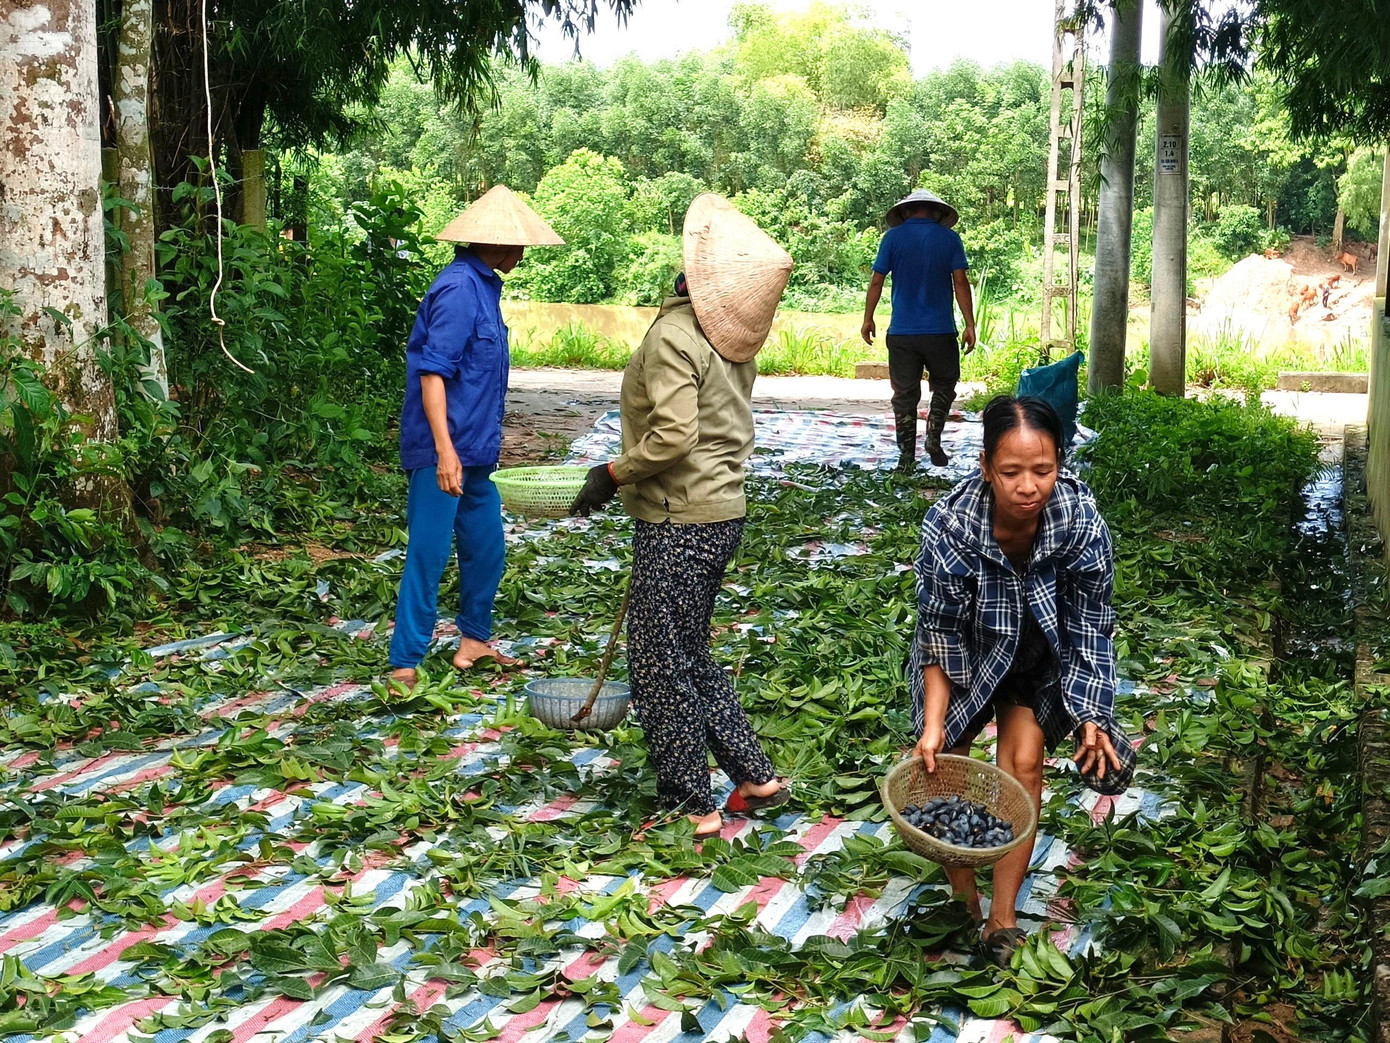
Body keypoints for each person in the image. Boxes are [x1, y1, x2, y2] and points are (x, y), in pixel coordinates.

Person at [568, 194, 793, 838]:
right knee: (687, 649)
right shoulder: (727, 343)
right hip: (721, 511)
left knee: (659, 662)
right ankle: (755, 776)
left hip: (680, 517)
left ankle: (689, 802)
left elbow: (672, 438)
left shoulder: (674, 336)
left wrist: (609, 474)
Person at [909, 395, 1134, 966]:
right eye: (1011, 472)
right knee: (945, 765)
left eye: (1044, 470)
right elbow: (939, 631)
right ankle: (963, 894)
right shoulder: (953, 527)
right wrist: (933, 725)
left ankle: (1002, 920)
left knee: (1024, 764)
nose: (1028, 486)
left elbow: (1091, 627)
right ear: (986, 467)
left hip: (1040, 649)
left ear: (1062, 463)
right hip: (970, 648)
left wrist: (1090, 714)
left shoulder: (1080, 522)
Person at [387, 186, 564, 691]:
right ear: (501, 244)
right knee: (428, 553)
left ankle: (474, 640)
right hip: (443, 452)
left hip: (476, 453)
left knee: (487, 549)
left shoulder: (485, 286)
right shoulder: (460, 289)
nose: (525, 253)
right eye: (521, 244)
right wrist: (444, 451)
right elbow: (432, 374)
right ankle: (405, 661)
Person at [861, 189, 977, 473]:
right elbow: (960, 283)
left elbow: (876, 282)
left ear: (906, 212)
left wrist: (868, 318)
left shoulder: (892, 239)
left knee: (904, 394)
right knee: (945, 384)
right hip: (940, 332)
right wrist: (969, 323)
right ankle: (933, 439)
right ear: (937, 212)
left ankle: (906, 457)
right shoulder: (949, 239)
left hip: (902, 333)